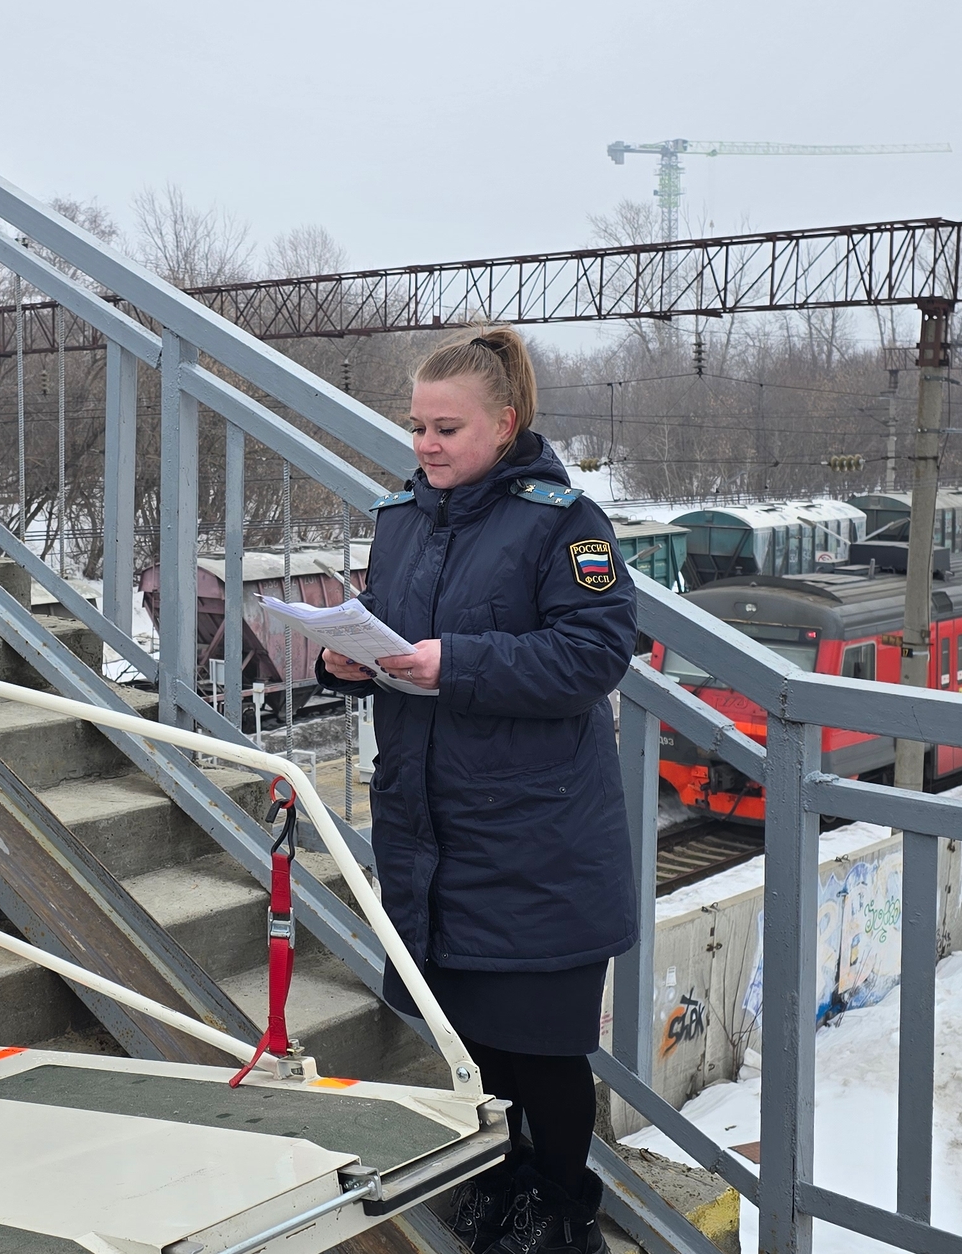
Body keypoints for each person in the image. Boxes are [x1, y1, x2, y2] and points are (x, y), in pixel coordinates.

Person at [317, 326, 637, 1254]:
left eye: (445, 428)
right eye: (416, 425)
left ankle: (562, 1199)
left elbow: (592, 653)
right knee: (477, 1043)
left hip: (537, 838)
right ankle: (504, 1176)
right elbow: (396, 642)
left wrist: (453, 661)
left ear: (505, 424)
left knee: (544, 1047)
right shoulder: (403, 520)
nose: (425, 444)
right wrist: (354, 660)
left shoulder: (562, 521)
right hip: (432, 830)